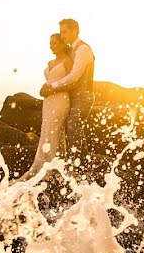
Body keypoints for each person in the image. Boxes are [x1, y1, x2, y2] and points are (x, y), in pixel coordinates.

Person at [17, 33, 74, 181]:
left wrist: (54, 89)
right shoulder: (50, 62)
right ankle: (52, 164)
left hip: (60, 100)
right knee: (47, 131)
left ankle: (51, 168)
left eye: (54, 43)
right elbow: (50, 80)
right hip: (48, 101)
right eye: (50, 43)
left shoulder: (68, 61)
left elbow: (71, 83)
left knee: (55, 131)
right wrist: (45, 88)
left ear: (62, 44)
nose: (51, 46)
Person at [39, 18, 95, 160]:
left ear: (74, 31)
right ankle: (82, 164)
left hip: (83, 96)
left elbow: (74, 76)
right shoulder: (72, 51)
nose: (62, 35)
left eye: (64, 32)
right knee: (75, 130)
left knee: (73, 128)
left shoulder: (83, 49)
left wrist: (52, 87)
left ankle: (77, 165)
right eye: (61, 32)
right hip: (72, 98)